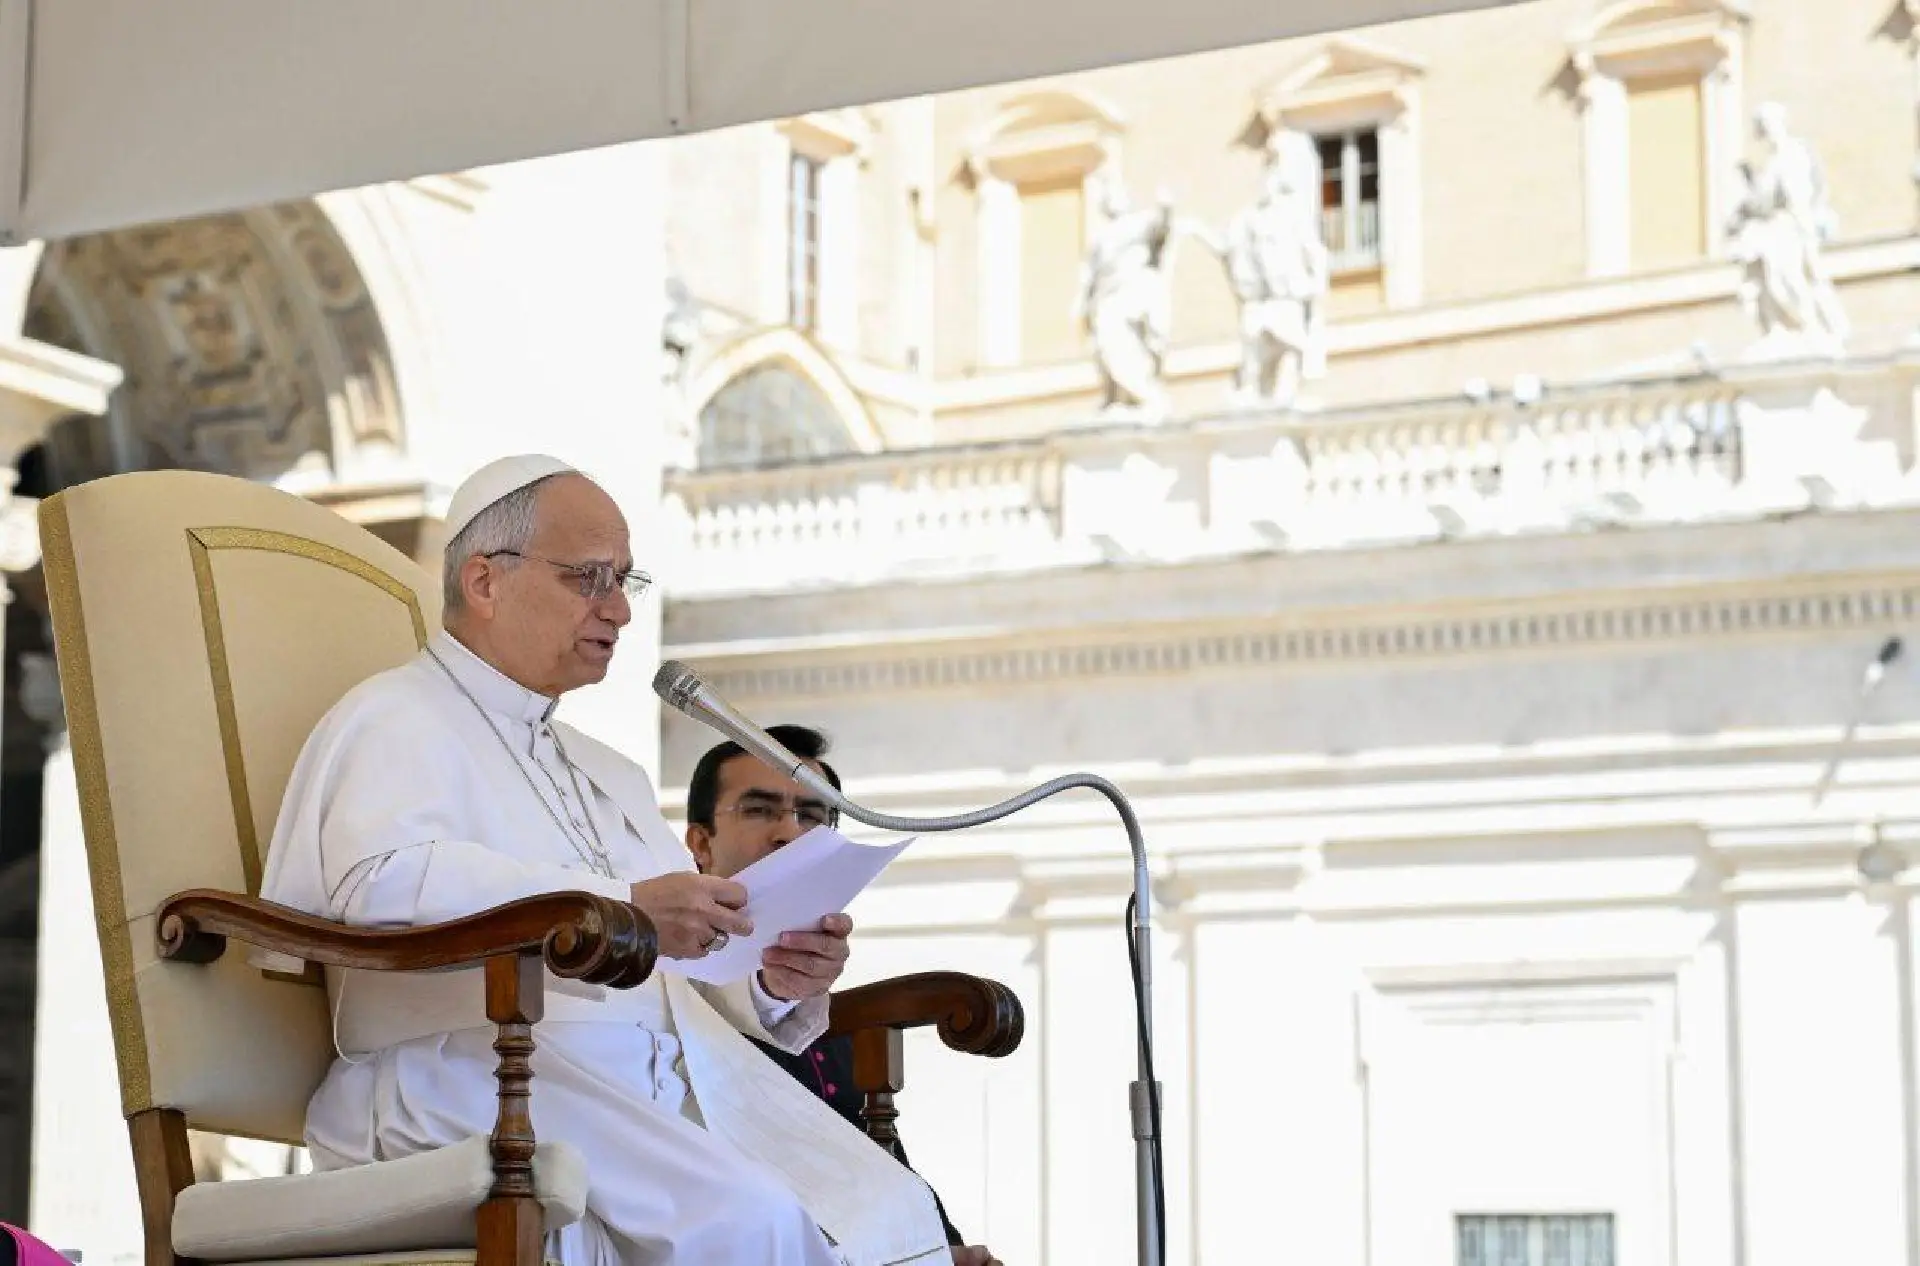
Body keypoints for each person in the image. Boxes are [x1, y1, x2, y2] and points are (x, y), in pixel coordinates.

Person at [257, 454, 952, 1266]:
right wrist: (620, 904)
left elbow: (687, 963)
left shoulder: (605, 769)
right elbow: (376, 887)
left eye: (625, 581)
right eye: (588, 578)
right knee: (754, 1223)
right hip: (472, 1071)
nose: (617, 609)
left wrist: (771, 976)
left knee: (890, 1213)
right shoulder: (392, 716)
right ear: (484, 581)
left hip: (641, 1088)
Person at [683, 726, 1003, 1266]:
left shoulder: (841, 1025)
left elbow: (865, 1160)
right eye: (760, 810)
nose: (790, 832)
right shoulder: (666, 983)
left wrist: (941, 1245)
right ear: (701, 843)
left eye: (813, 815)